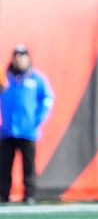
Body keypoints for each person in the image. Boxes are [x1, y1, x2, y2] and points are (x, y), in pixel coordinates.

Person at [0, 44, 54, 204]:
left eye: (22, 55)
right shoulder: (5, 78)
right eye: (16, 55)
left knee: (28, 166)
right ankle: (3, 195)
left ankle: (29, 195)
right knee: (4, 166)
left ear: (28, 58)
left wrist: (36, 120)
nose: (19, 59)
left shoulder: (36, 79)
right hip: (7, 130)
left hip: (28, 131)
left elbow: (47, 99)